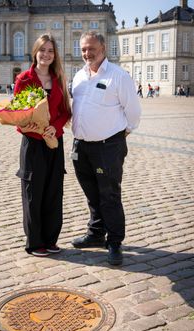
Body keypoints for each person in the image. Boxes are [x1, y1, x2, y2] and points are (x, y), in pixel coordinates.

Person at [71, 31, 141, 265]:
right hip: (81, 147)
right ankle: (96, 234)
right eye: (83, 49)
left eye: (92, 49)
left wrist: (122, 135)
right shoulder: (79, 75)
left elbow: (133, 112)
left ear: (103, 49)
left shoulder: (118, 75)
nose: (87, 53)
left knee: (109, 195)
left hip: (107, 146)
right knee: (91, 193)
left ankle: (115, 241)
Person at [15, 33, 71, 257]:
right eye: (43, 50)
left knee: (53, 191)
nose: (46, 54)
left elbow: (66, 111)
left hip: (54, 143)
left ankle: (50, 240)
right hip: (33, 144)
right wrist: (38, 129)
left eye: (51, 51)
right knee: (33, 193)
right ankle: (35, 242)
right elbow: (17, 117)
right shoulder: (24, 79)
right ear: (35, 51)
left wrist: (55, 128)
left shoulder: (58, 79)